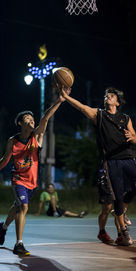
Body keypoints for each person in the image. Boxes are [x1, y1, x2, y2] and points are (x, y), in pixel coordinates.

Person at [60, 86, 136, 246]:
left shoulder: (125, 118)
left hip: (128, 158)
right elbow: (82, 107)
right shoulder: (100, 115)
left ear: (117, 102)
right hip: (111, 161)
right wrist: (66, 97)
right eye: (106, 95)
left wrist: (132, 137)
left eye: (111, 96)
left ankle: (122, 212)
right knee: (116, 197)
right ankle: (123, 233)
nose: (108, 97)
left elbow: (135, 138)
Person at [0, 92, 68, 256]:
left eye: (32, 119)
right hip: (18, 179)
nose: (32, 121)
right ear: (20, 123)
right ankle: (19, 244)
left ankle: (2, 228)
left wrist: (59, 100)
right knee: (23, 207)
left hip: (33, 182)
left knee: (17, 208)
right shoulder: (13, 141)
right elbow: (5, 159)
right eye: (27, 120)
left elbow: (45, 117)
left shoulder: (37, 136)